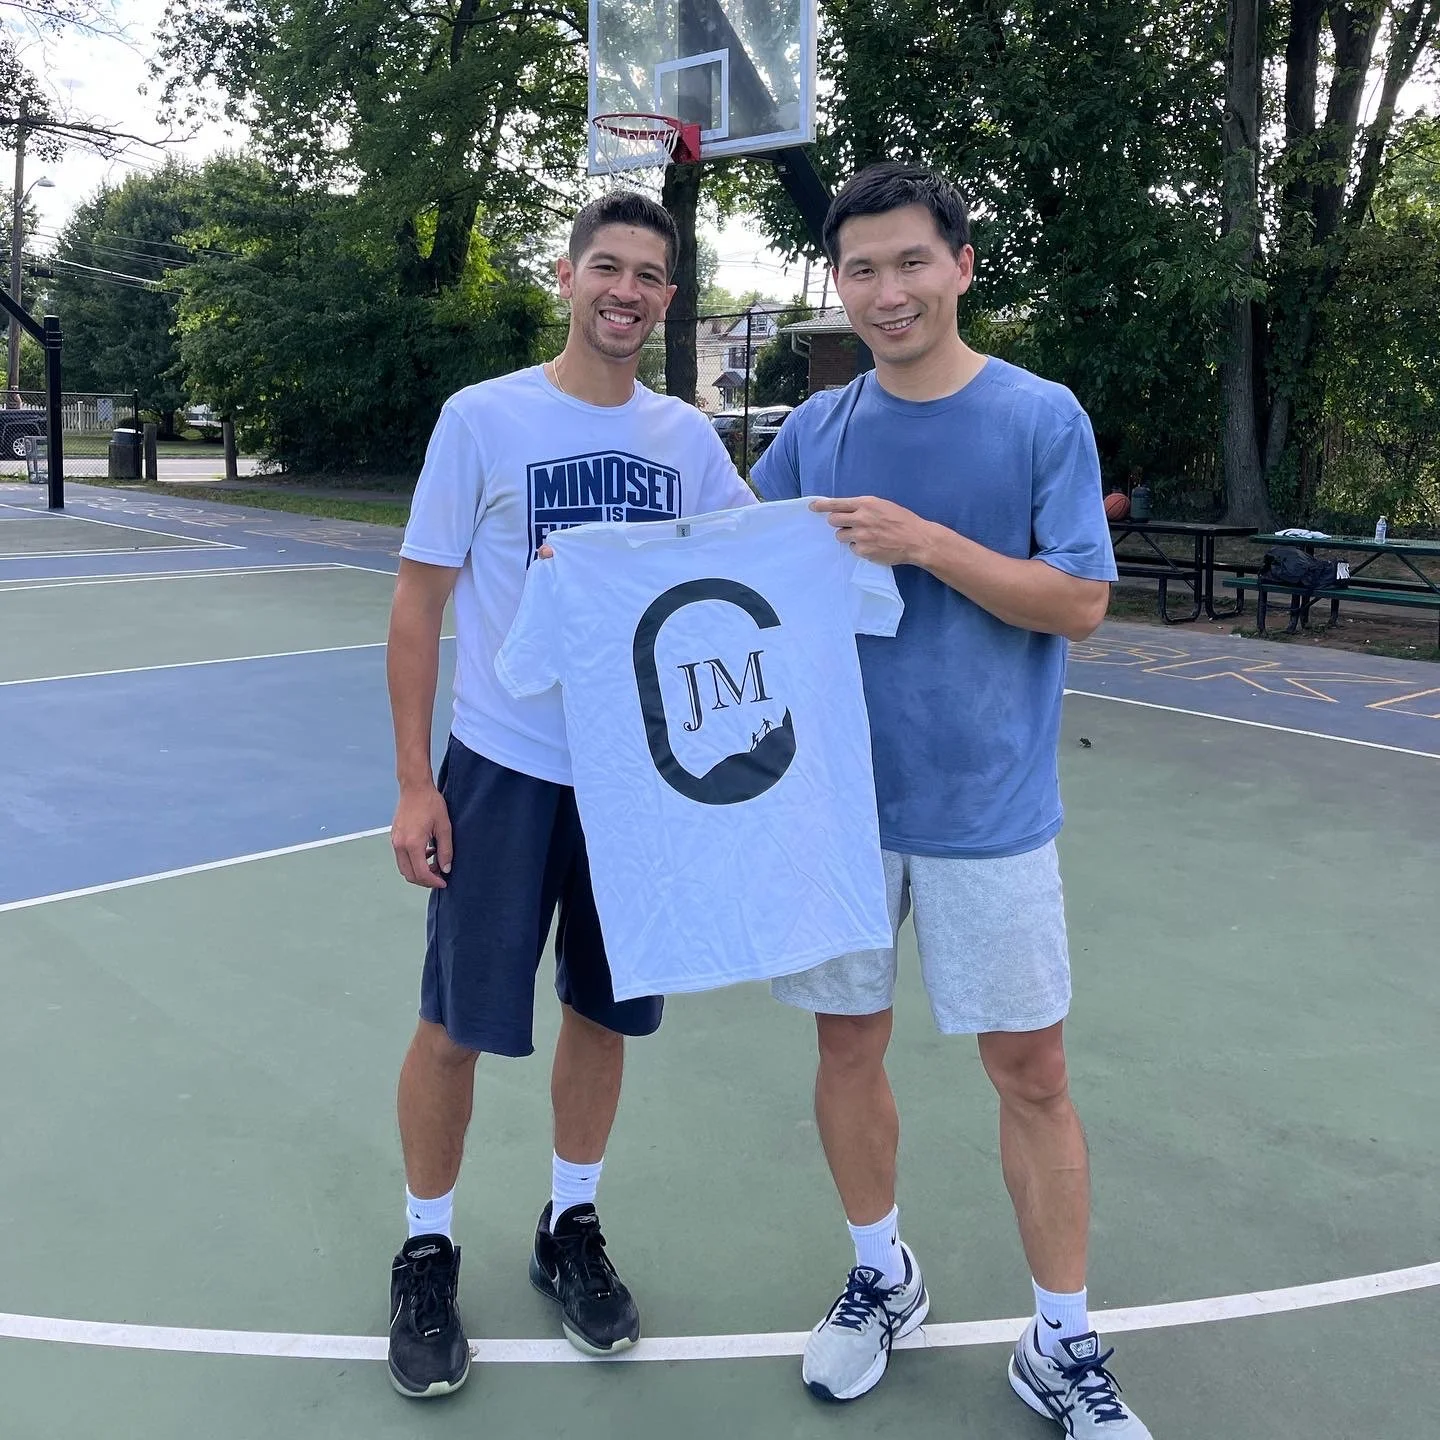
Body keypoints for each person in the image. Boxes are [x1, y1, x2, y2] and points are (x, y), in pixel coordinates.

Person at [751, 162, 1149, 1437]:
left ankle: (1063, 1341)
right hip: (839, 814)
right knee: (846, 1047)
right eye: (860, 268)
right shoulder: (814, 433)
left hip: (990, 812)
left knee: (1031, 1070)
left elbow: (1079, 605)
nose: (886, 290)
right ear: (840, 284)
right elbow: (726, 578)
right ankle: (883, 1276)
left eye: (911, 261)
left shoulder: (1041, 417)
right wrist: (594, 568)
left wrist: (923, 541)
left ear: (962, 265)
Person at [384, 191, 755, 1398]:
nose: (629, 291)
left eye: (652, 275)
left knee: (605, 1011)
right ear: (566, 274)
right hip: (500, 770)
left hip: (635, 784)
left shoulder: (687, 444)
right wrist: (411, 785)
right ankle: (427, 1244)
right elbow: (418, 606)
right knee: (454, 1024)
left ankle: (569, 1227)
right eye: (610, 267)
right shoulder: (483, 420)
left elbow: (753, 576)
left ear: (669, 296)